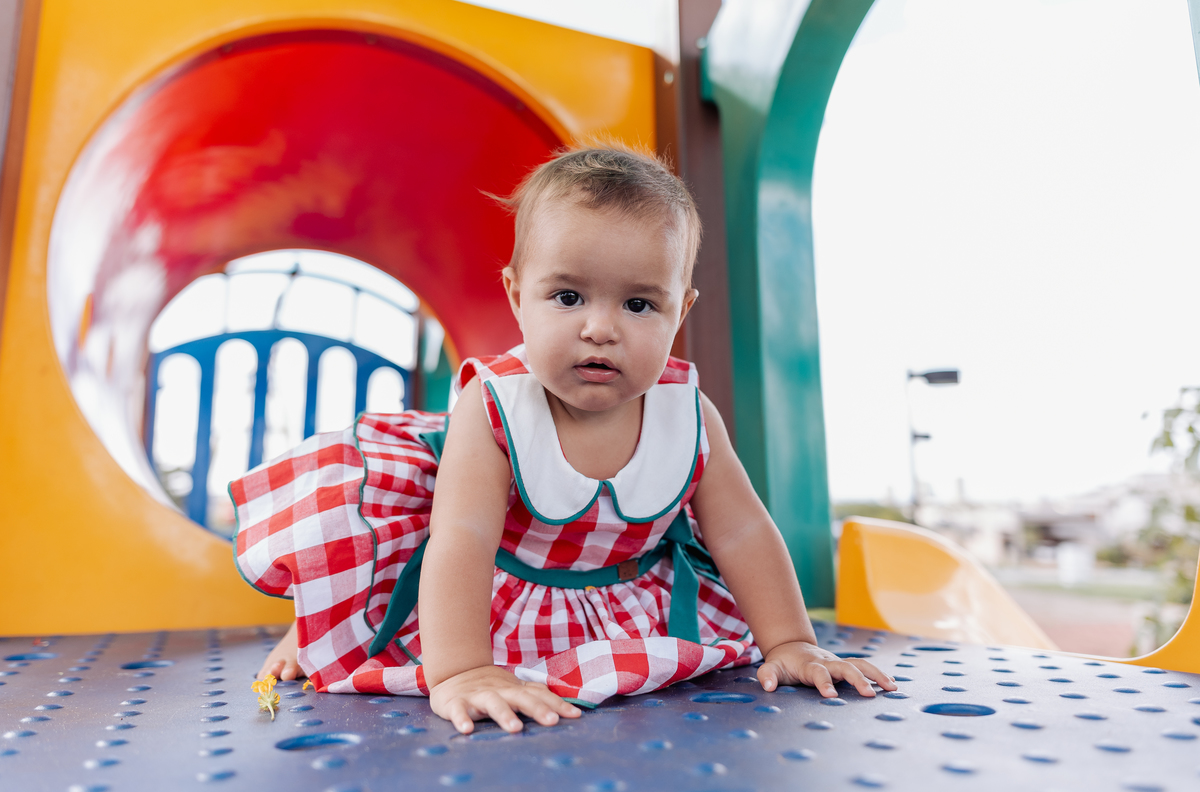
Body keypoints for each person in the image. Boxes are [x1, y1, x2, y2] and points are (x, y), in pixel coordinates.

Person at [232, 145, 896, 735]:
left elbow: (744, 531)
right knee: (376, 604)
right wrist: (462, 670)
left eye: (639, 305)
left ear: (680, 310)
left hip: (631, 597)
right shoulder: (493, 407)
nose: (601, 328)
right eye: (568, 297)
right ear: (518, 296)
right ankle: (317, 624)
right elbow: (460, 540)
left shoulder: (687, 413)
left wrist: (789, 642)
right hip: (490, 600)